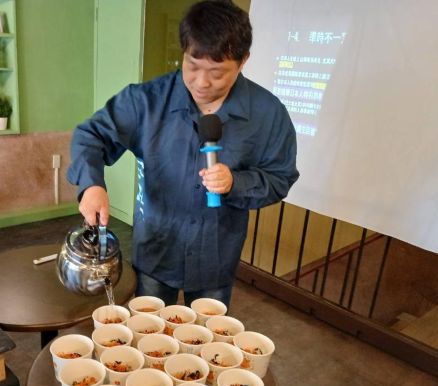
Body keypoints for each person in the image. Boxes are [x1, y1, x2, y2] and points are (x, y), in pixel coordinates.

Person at [67, 0, 299, 307]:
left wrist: (236, 183)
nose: (201, 82)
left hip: (215, 257)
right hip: (156, 249)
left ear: (243, 61)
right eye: (192, 65)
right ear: (184, 52)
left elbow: (280, 177)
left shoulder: (268, 113)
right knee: (149, 330)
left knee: (207, 335)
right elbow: (91, 135)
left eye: (217, 72)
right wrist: (91, 185)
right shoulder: (147, 101)